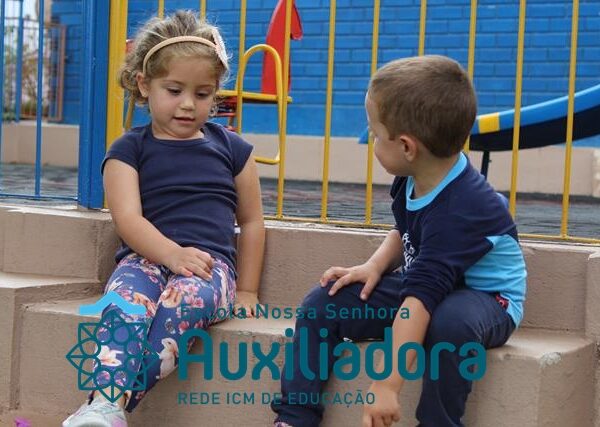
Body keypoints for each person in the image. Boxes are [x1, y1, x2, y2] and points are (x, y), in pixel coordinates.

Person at [272, 55, 527, 427]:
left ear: (407, 146)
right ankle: (295, 417)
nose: (372, 141)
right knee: (323, 302)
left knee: (449, 324)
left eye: (375, 133)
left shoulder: (462, 208)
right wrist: (374, 266)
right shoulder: (416, 174)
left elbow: (420, 301)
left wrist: (387, 384)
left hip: (487, 299)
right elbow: (405, 229)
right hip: (428, 284)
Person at [63, 10, 265, 427]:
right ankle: (105, 408)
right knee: (125, 305)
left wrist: (247, 290)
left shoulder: (234, 150)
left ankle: (106, 405)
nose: (188, 104)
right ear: (144, 84)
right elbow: (128, 219)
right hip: (144, 260)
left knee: (182, 304)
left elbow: (252, 222)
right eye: (174, 90)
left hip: (209, 268)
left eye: (203, 94)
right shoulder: (128, 150)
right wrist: (171, 254)